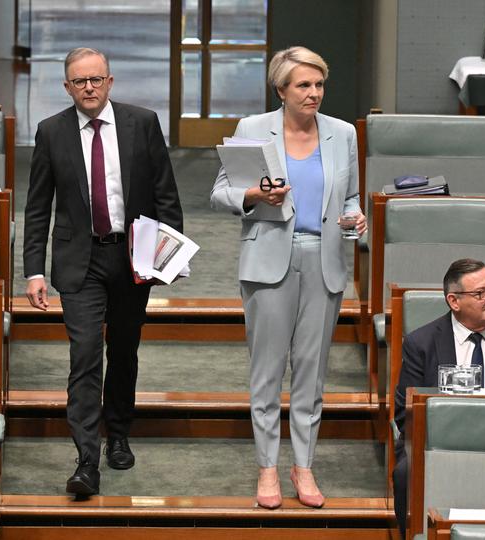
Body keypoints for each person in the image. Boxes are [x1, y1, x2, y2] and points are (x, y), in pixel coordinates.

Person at [211, 46, 366, 509]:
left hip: (325, 261)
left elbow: (351, 197)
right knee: (267, 372)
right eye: (304, 85)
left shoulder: (343, 134)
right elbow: (222, 192)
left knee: (311, 375)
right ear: (282, 90)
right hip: (269, 261)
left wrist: (357, 219)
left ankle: (303, 467)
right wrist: (256, 195)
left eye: (319, 85)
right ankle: (266, 469)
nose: (314, 93)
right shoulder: (253, 130)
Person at [23, 47, 183, 498]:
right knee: (86, 352)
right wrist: (33, 270)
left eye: (96, 80)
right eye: (79, 81)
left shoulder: (142, 123)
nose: (89, 88)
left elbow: (166, 196)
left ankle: (120, 432)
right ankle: (87, 460)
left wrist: (166, 257)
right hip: (80, 261)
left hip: (132, 257)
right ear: (67, 87)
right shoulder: (51, 132)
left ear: (109, 82)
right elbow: (38, 208)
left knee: (125, 349)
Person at [392, 258, 485, 537]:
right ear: (454, 301)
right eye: (481, 293)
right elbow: (404, 415)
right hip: (440, 444)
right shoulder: (421, 343)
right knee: (405, 473)